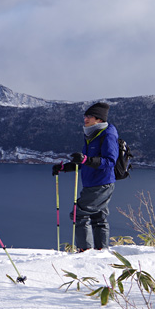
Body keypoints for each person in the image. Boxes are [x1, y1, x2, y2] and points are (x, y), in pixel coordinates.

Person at [52, 102, 119, 252]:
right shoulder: (91, 134)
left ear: (99, 119)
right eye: (85, 116)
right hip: (94, 182)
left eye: (89, 116)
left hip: (101, 183)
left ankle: (85, 251)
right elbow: (85, 161)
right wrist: (64, 167)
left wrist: (85, 159)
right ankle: (101, 250)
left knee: (79, 214)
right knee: (98, 217)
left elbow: (110, 162)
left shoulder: (107, 135)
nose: (85, 119)